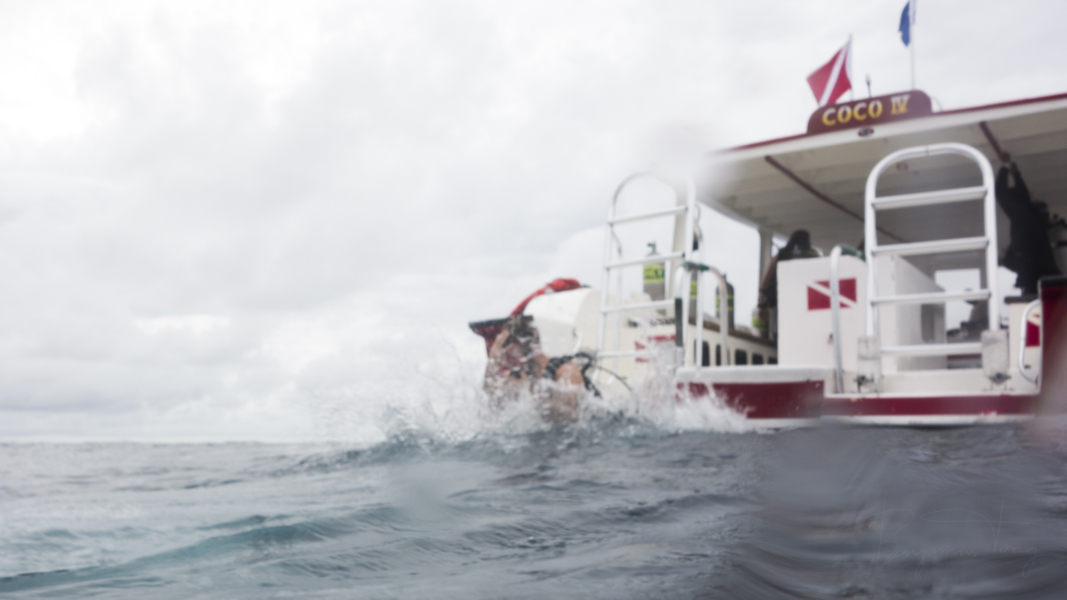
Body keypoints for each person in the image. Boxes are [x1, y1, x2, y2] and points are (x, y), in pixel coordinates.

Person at [483, 315, 595, 421]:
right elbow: (492, 403)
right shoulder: (519, 376)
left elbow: (574, 414)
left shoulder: (564, 370)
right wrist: (493, 361)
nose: (505, 354)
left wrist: (535, 401)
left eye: (509, 347)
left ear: (528, 345)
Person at [996, 163, 1060, 295]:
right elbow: (1023, 194)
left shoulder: (1022, 216)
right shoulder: (1035, 218)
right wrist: (1016, 174)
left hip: (1034, 279)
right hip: (1050, 277)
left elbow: (1001, 193)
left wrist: (1005, 168)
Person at [755, 230, 820, 338]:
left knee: (780, 334)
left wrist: (761, 305)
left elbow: (765, 281)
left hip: (782, 303)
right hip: (806, 305)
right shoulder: (815, 255)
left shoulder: (781, 255)